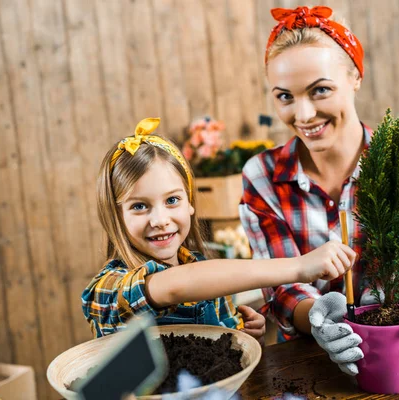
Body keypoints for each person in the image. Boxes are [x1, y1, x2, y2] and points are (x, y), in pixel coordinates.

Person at [239, 5, 399, 374]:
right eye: (285, 96)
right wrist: (320, 318)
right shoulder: (262, 177)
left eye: (321, 90)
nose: (304, 114)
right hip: (311, 368)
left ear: (355, 77)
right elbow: (282, 291)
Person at [82, 117, 357, 343]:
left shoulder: (209, 277)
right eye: (140, 206)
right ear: (115, 216)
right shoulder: (109, 289)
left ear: (190, 202)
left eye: (172, 200)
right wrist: (298, 267)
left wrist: (243, 336)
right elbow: (176, 285)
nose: (160, 219)